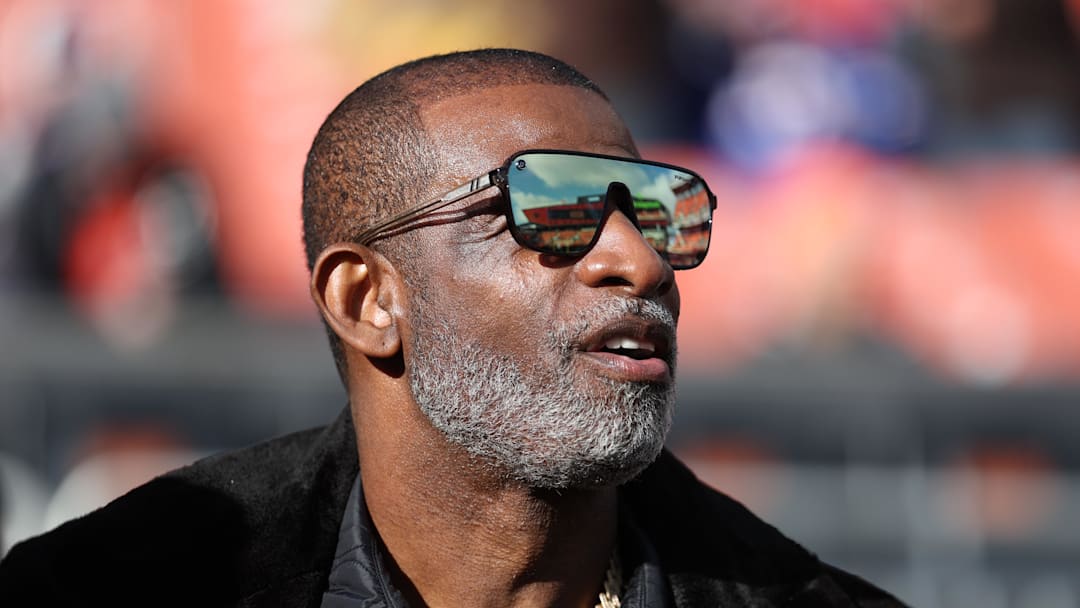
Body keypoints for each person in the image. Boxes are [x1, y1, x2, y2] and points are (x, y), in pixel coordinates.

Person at [0, 49, 904, 607]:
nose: (639, 262)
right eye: (554, 208)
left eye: (664, 213)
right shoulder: (111, 588)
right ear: (367, 301)